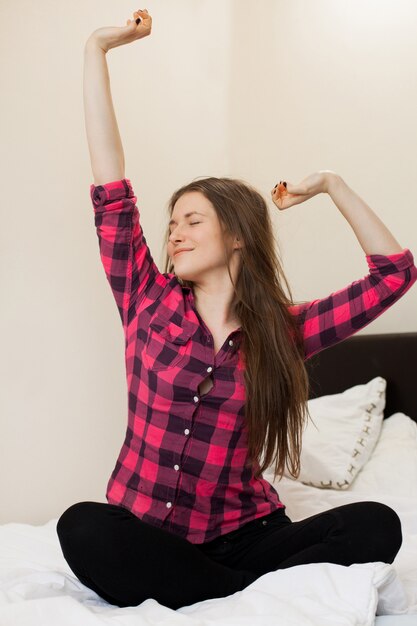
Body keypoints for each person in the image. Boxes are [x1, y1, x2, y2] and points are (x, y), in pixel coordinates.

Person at [56, 8, 417, 611]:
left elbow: (395, 274)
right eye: (172, 224)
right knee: (82, 527)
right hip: (150, 532)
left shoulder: (282, 332)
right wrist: (96, 49)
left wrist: (330, 183)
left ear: (238, 236)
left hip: (248, 537)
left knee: (377, 524)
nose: (175, 234)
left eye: (193, 221)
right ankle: (230, 596)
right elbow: (110, 187)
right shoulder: (144, 298)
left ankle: (213, 589)